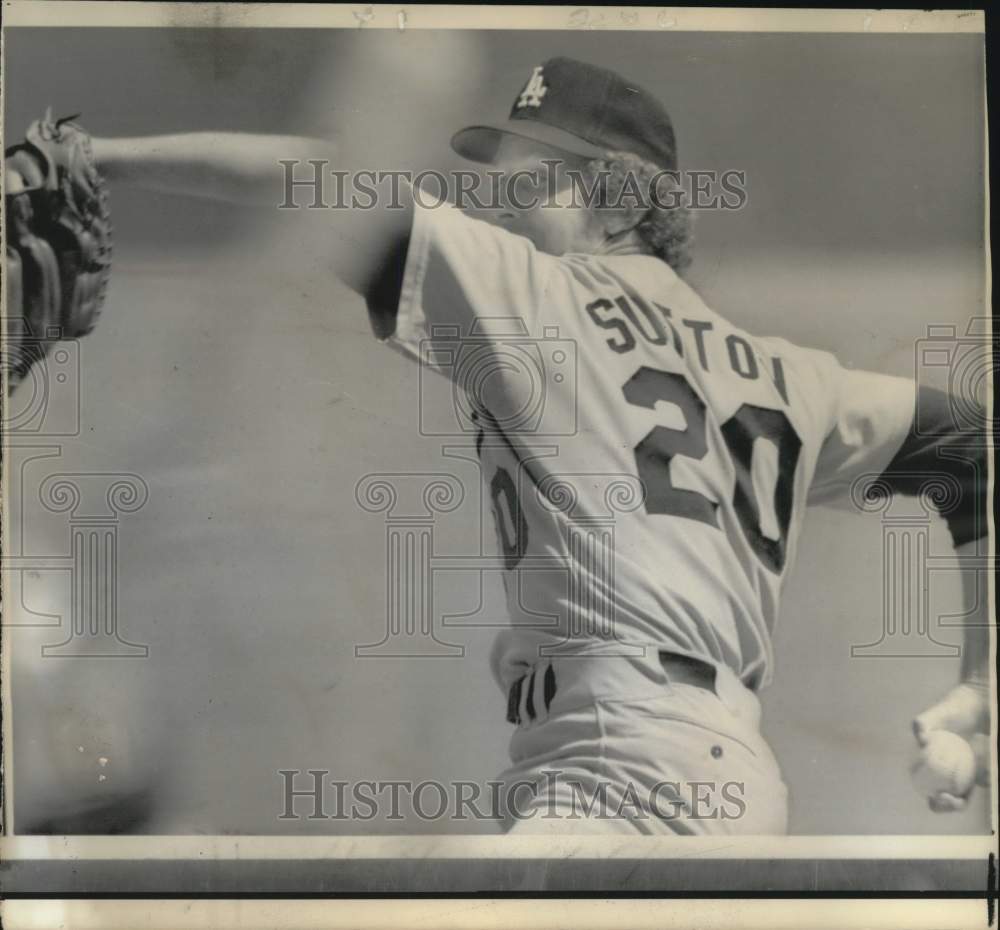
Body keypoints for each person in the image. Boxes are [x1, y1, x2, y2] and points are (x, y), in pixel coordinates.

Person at [11, 57, 989, 833]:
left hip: (619, 774)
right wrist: (976, 685)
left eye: (532, 167)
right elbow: (974, 452)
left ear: (610, 195)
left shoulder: (541, 297)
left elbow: (334, 181)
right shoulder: (788, 374)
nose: (496, 186)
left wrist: (109, 156)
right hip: (716, 778)